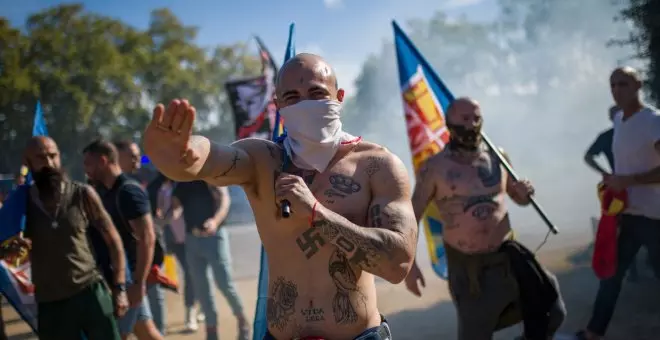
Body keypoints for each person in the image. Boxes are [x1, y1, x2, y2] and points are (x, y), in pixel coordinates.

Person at [144, 53, 417, 340]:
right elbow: (213, 157)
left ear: (339, 96)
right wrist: (184, 154)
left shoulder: (377, 165)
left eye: (315, 93)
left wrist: (316, 212)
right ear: (278, 105)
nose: (304, 104)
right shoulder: (262, 159)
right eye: (292, 97)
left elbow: (397, 264)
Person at [404, 97, 566, 340]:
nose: (471, 124)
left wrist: (524, 193)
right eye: (465, 119)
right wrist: (410, 266)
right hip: (469, 269)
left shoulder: (498, 157)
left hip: (507, 256)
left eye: (477, 118)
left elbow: (517, 196)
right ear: (449, 123)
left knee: (551, 309)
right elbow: (411, 215)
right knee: (476, 333)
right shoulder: (434, 168)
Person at [2, 136, 127, 340]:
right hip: (51, 303)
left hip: (90, 292)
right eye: (41, 158)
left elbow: (114, 240)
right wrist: (12, 250)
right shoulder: (21, 203)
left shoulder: (82, 194)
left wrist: (120, 287)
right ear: (28, 162)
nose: (49, 163)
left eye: (53, 156)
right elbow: (5, 246)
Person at [576, 67, 660, 340]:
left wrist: (629, 180)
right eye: (612, 85)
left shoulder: (653, 121)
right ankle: (593, 333)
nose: (616, 90)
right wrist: (611, 182)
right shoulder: (620, 123)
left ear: (639, 85)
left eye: (623, 84)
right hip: (627, 215)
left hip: (655, 216)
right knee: (610, 276)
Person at [82, 139, 164, 340]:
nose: (86, 170)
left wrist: (138, 283)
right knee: (147, 333)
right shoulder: (106, 191)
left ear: (103, 161)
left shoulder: (128, 191)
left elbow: (147, 237)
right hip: (121, 279)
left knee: (118, 335)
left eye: (88, 164)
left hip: (130, 281)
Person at [170, 180, 248, 339]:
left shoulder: (210, 174)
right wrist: (168, 215)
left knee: (224, 283)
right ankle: (211, 330)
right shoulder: (182, 180)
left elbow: (224, 199)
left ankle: (242, 320)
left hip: (214, 237)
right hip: (192, 239)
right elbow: (176, 205)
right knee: (201, 288)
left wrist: (215, 221)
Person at [584, 105, 650, 282]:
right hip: (623, 189)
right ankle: (632, 269)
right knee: (624, 228)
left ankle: (643, 264)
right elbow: (588, 156)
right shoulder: (609, 136)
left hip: (643, 185)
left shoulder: (639, 132)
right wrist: (605, 174)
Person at [115, 139, 167, 335]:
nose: (138, 159)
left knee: (153, 298)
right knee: (144, 325)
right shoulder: (110, 186)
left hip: (145, 258)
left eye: (139, 155)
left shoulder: (138, 181)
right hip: (128, 266)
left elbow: (146, 234)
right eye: (132, 155)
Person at [148, 172, 204, 332]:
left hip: (188, 236)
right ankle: (195, 306)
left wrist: (162, 220)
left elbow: (177, 210)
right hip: (171, 238)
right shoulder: (161, 185)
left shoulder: (185, 182)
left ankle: (191, 311)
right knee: (189, 273)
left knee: (191, 273)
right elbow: (159, 206)